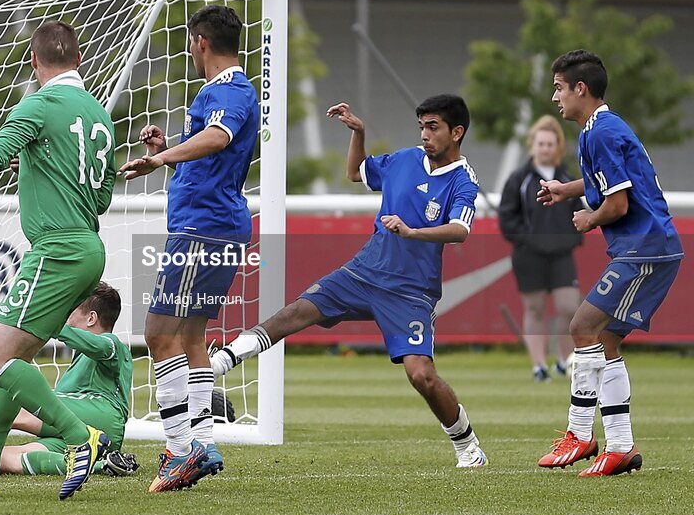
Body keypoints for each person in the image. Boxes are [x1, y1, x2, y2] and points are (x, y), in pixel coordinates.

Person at [211, 95, 489, 468]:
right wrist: (358, 133)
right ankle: (223, 360)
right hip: (364, 271)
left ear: (457, 132)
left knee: (421, 375)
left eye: (433, 127)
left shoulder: (463, 181)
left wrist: (411, 231)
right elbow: (356, 172)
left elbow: (459, 230)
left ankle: (467, 445)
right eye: (422, 126)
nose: (424, 134)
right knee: (298, 311)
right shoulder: (404, 159)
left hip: (410, 290)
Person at [0, 20, 117, 499]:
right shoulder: (97, 113)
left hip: (57, 248)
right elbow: (104, 196)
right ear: (79, 60)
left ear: (34, 62)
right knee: (14, 365)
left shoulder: (39, 103)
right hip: (88, 247)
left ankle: (80, 437)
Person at [118, 5, 259, 492]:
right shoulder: (224, 93)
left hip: (204, 229)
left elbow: (217, 139)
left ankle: (179, 450)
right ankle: (202, 441)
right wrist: (171, 148)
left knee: (158, 334)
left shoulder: (230, 90)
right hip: (213, 224)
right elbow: (206, 158)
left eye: (190, 44)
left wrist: (158, 156)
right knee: (193, 337)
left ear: (200, 42)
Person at [536, 50, 682, 476]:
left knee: (582, 327)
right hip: (647, 247)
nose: (555, 96)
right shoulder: (601, 128)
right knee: (608, 341)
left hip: (645, 248)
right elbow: (611, 181)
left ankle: (580, 434)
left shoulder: (597, 133)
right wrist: (567, 189)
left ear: (581, 88)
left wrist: (587, 218)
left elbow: (616, 204)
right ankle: (620, 446)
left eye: (560, 87)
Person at [0, 282, 139, 478]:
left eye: (70, 310)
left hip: (101, 416)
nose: (65, 317)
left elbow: (100, 346)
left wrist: (49, 323)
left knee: (7, 405)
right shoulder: (79, 360)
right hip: (79, 434)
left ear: (91, 318)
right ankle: (106, 465)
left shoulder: (112, 343)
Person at [498, 115, 582, 381]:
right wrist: (528, 239)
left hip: (561, 253)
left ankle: (564, 360)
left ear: (557, 146)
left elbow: (578, 210)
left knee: (568, 307)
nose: (545, 148)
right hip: (529, 255)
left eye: (550, 144)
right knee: (534, 309)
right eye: (540, 143)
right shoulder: (518, 179)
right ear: (532, 145)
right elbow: (507, 218)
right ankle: (539, 365)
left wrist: (571, 236)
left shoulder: (567, 177)